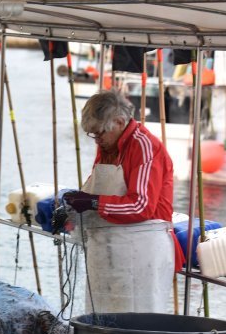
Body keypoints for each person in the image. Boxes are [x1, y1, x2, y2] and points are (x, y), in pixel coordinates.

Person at [63, 88, 184, 313]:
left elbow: (141, 206)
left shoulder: (145, 147)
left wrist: (93, 202)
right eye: (93, 135)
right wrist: (72, 209)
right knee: (100, 322)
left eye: (100, 133)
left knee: (137, 323)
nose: (97, 140)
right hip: (107, 250)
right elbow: (97, 186)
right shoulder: (107, 146)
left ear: (119, 122)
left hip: (143, 251)